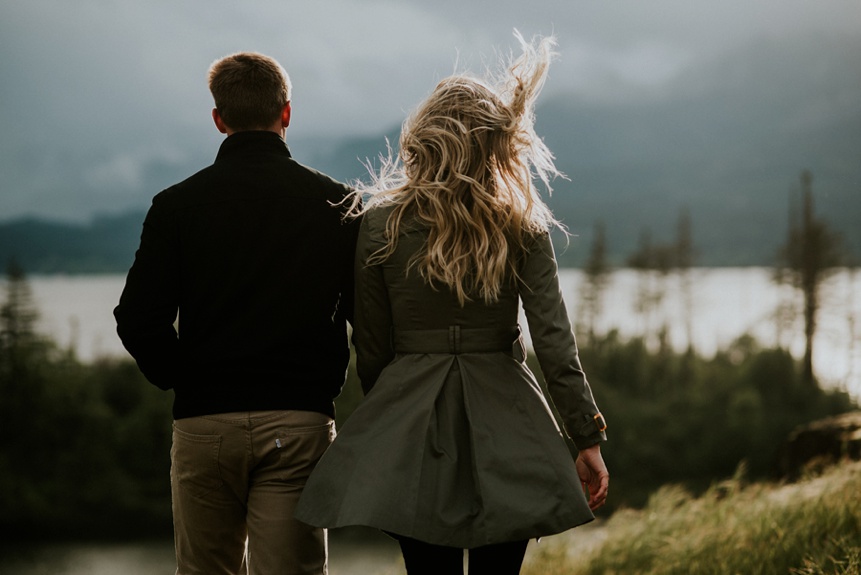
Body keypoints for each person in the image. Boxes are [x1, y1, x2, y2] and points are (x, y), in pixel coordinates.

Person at [294, 33, 608, 574]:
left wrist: (393, 416)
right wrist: (587, 436)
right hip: (510, 424)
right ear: (497, 143)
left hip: (408, 419)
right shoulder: (523, 227)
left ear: (424, 138)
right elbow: (554, 342)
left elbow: (370, 345)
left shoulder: (379, 225)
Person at [114, 52, 359, 575]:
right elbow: (371, 317)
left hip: (205, 423)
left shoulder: (175, 206)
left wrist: (187, 379)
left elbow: (137, 318)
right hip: (299, 422)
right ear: (286, 113)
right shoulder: (337, 205)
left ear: (218, 119)